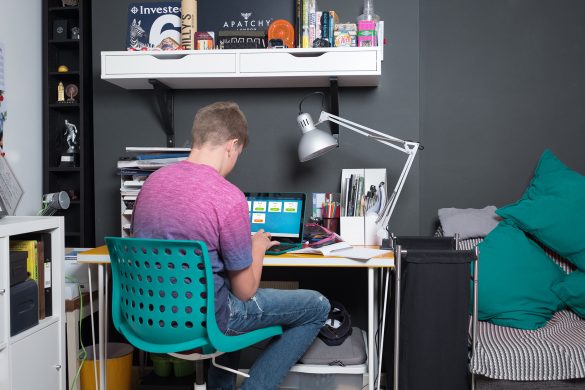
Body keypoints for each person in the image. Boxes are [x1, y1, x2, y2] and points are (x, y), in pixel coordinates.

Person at [132, 101, 330, 389]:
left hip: (150, 317)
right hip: (208, 321)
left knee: (222, 291)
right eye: (238, 153)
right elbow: (245, 291)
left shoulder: (151, 183)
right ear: (231, 145)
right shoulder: (227, 196)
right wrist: (258, 247)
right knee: (317, 306)